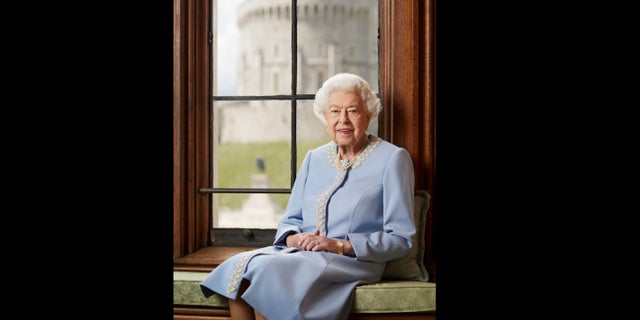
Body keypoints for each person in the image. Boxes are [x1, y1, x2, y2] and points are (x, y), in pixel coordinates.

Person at [200, 72, 416, 320]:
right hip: (302, 256)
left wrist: (339, 245)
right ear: (325, 118)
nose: (343, 120)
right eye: (335, 111)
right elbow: (290, 220)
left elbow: (401, 238)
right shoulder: (314, 158)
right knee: (241, 270)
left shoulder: (393, 159)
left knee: (268, 276)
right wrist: (293, 239)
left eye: (353, 111)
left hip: (352, 262)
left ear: (368, 116)